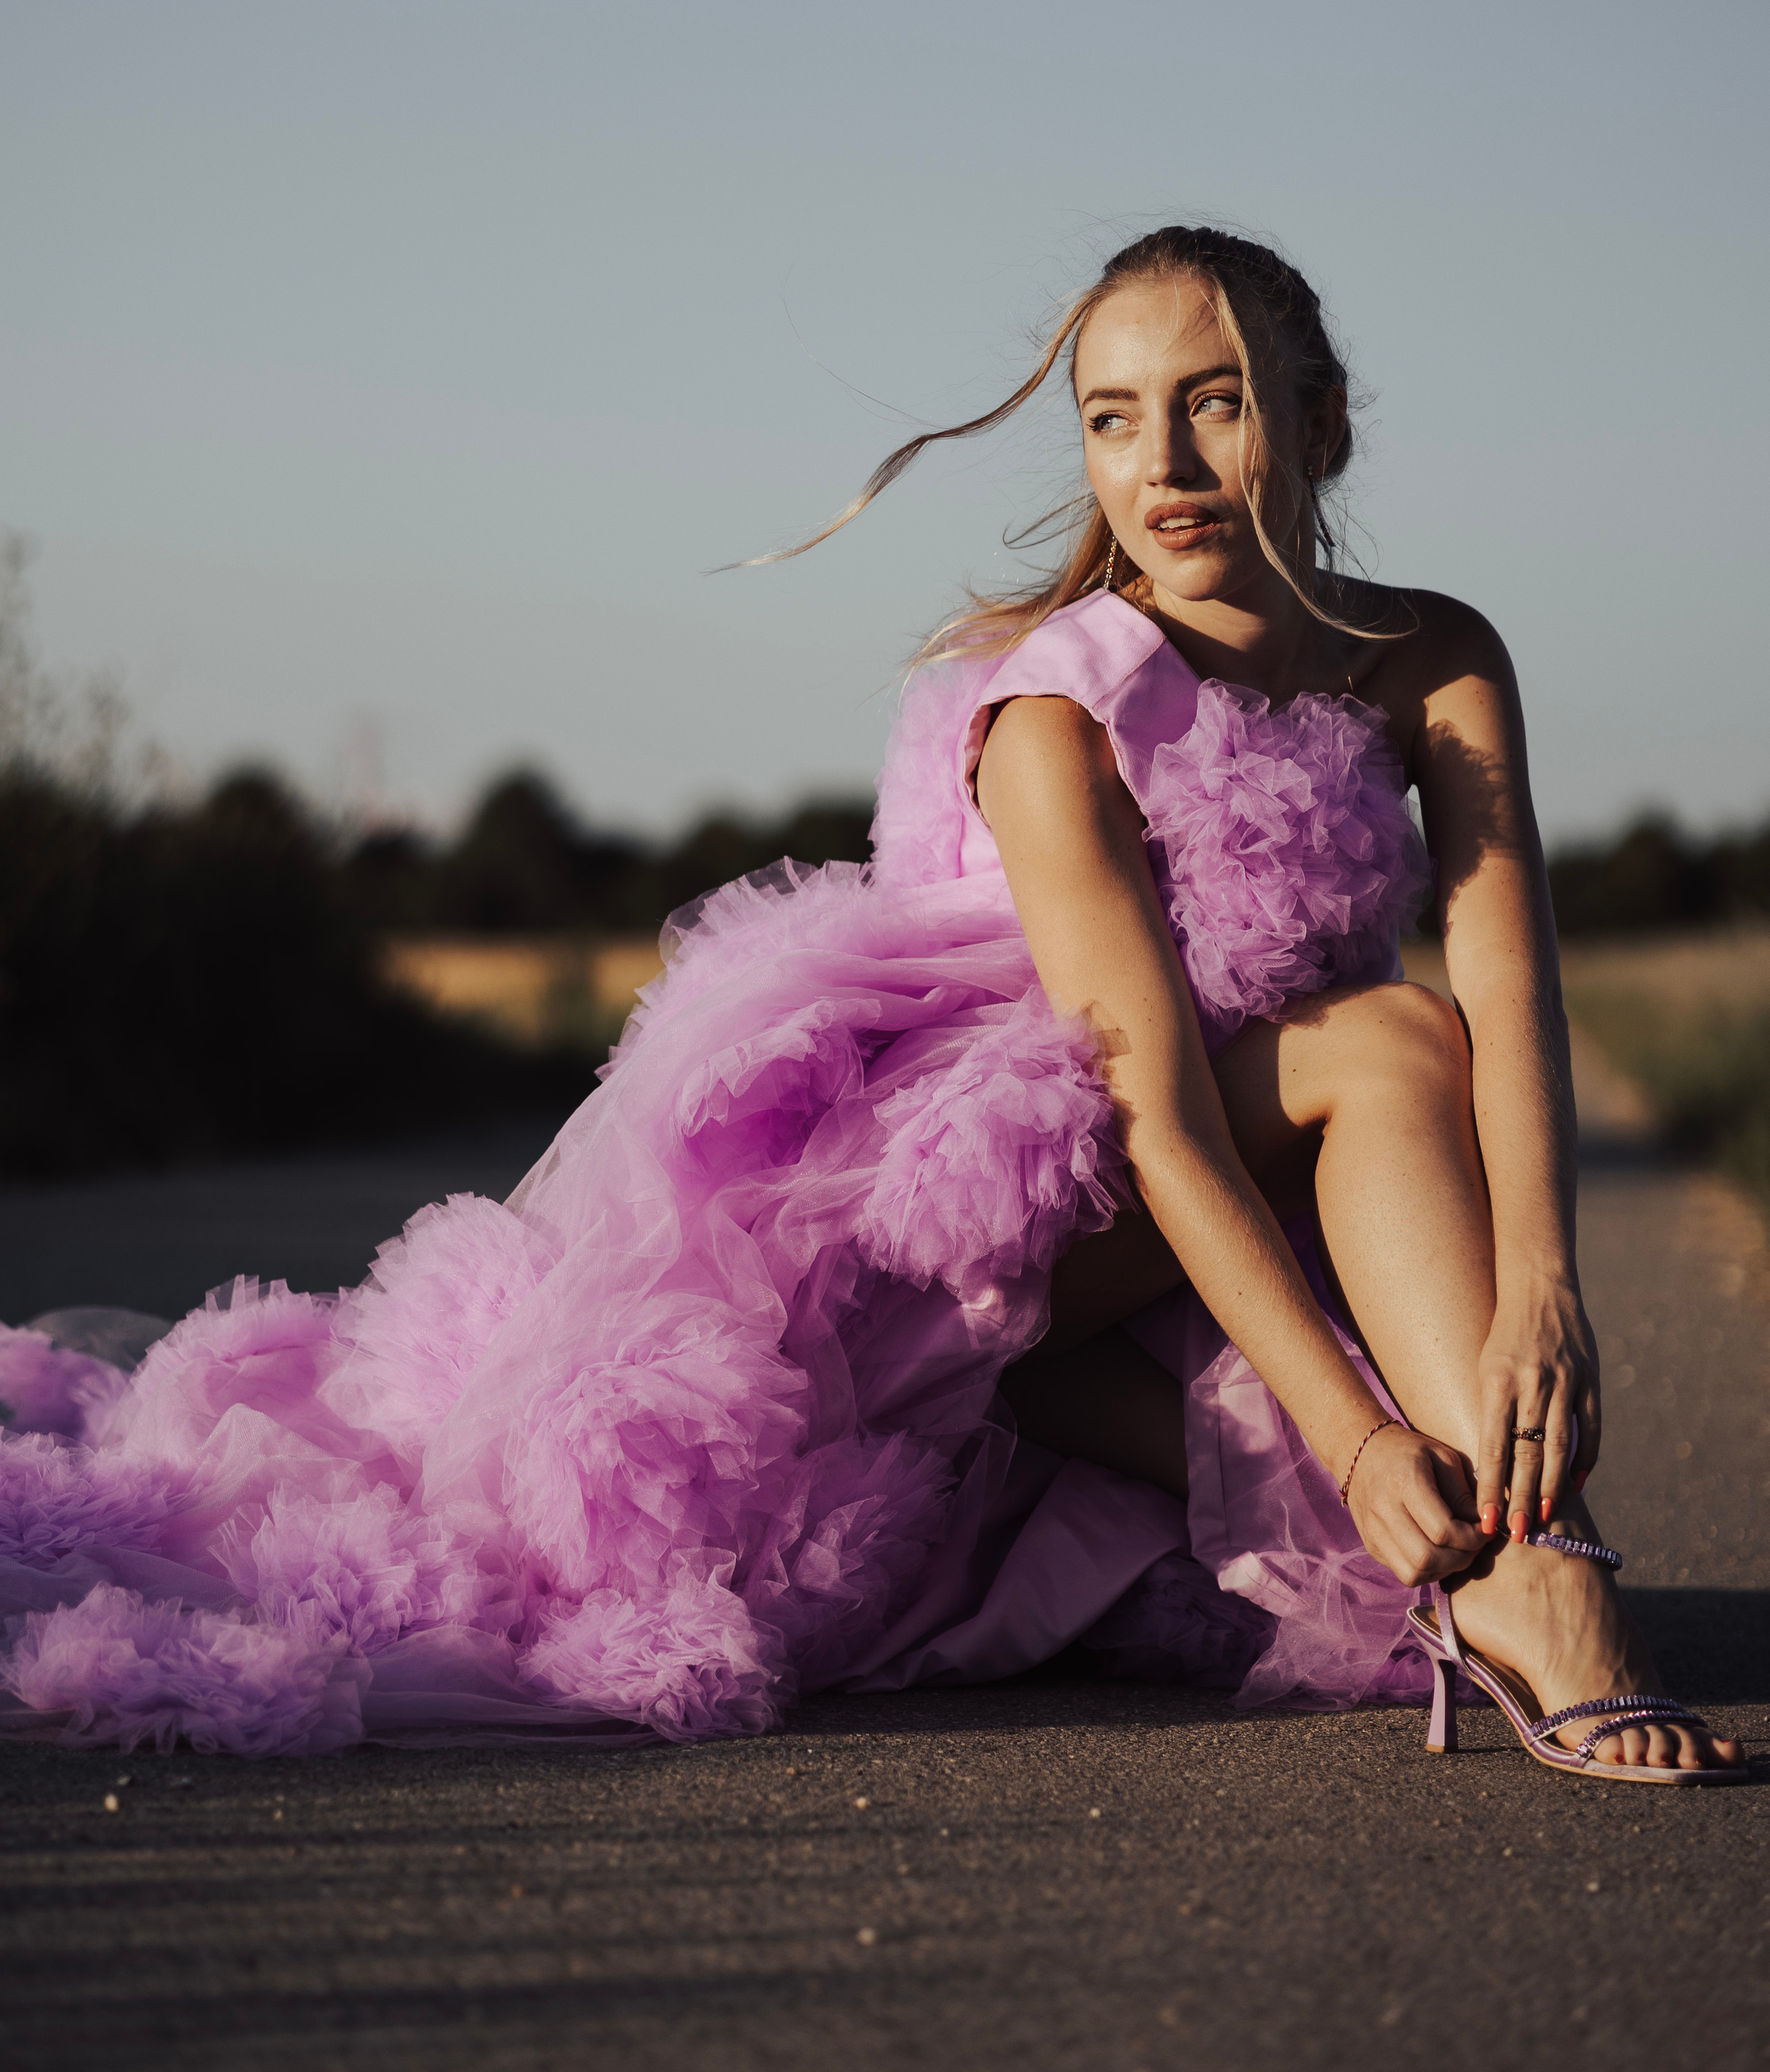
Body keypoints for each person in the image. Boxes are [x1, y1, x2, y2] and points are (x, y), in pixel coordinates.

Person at [0, 226, 1741, 1783]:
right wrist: (1354, 1428)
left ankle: (1418, 1531)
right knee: (1385, 1062)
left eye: (1213, 402)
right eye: (1113, 417)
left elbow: (1507, 964)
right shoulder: (1062, 714)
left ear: (1320, 419)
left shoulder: (1433, 651)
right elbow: (1152, 1109)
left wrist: (1547, 1294)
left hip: (1160, 1235)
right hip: (955, 1245)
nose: (1162, 462)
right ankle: (1545, 1573)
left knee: (1386, 1496)